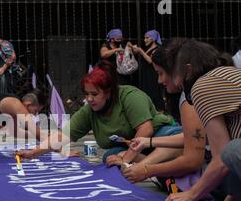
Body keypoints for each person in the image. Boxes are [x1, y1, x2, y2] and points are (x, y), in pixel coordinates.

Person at [16, 61, 181, 165]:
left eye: (94, 94)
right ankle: (156, 168)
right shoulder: (89, 110)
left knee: (171, 138)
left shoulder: (130, 96)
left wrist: (126, 159)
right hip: (134, 150)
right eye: (86, 94)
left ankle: (151, 167)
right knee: (110, 156)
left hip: (159, 137)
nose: (89, 99)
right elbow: (61, 137)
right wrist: (33, 153)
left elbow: (145, 130)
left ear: (108, 92)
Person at [162, 39, 241, 201]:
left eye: (174, 73)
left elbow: (223, 158)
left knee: (227, 154)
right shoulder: (227, 75)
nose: (174, 81)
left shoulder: (202, 86)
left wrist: (191, 195)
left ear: (188, 70)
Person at [122, 45, 207, 194]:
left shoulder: (192, 96)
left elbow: (194, 159)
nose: (159, 80)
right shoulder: (189, 93)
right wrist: (147, 143)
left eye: (161, 73)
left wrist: (148, 170)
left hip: (214, 172)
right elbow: (191, 138)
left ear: (183, 70)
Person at [132, 30, 166, 112]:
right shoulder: (148, 49)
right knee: (147, 93)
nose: (145, 40)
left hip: (153, 75)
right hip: (146, 75)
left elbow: (151, 60)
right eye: (144, 38)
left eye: (147, 38)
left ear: (153, 39)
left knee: (154, 93)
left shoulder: (157, 49)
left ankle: (159, 112)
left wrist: (141, 51)